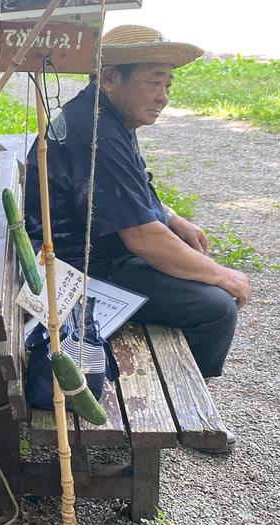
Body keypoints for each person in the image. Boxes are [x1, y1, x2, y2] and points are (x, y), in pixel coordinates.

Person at [23, 25, 250, 450]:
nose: (163, 95)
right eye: (152, 82)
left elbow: (135, 190)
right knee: (217, 307)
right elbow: (143, 239)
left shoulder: (104, 116)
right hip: (79, 271)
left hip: (95, 254)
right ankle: (186, 410)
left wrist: (174, 217)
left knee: (194, 275)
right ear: (110, 77)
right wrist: (224, 275)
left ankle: (188, 397)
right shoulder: (98, 134)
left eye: (167, 83)